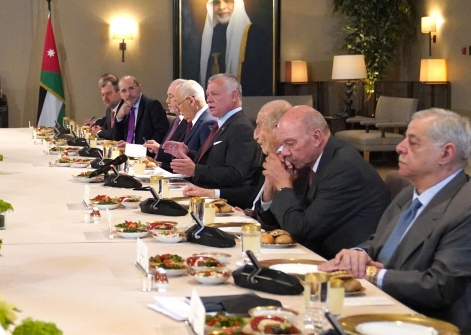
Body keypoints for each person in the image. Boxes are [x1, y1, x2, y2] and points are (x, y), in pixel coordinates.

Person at [319, 109, 471, 331]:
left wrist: (371, 274)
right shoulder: (408, 193)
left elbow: (439, 286)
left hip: (425, 323)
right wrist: (358, 255)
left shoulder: (465, 207)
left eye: (413, 142)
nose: (399, 147)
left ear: (446, 153)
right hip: (379, 305)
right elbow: (378, 243)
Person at [258, 106, 389, 258]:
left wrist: (283, 186)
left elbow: (300, 230)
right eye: (282, 145)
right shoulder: (307, 161)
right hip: (315, 253)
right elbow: (276, 225)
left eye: (290, 143)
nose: (284, 152)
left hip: (345, 262)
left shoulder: (344, 168)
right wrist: (270, 186)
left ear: (316, 137)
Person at [183, 99, 292, 215]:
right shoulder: (270, 155)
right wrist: (252, 213)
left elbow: (236, 175)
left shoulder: (293, 163)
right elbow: (254, 197)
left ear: (278, 128)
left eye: (259, 127)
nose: (255, 135)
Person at [169, 74, 260, 208]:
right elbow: (215, 160)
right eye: (208, 95)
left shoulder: (241, 127)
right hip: (202, 198)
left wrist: (196, 170)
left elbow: (235, 174)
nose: (209, 100)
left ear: (234, 96)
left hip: (223, 205)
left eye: (214, 94)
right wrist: (188, 153)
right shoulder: (223, 123)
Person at [195, 0, 272, 96]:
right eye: (216, 2)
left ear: (238, 4)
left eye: (227, 1)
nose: (221, 7)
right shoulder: (212, 34)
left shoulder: (255, 34)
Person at [145, 80, 217, 171]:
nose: (178, 108)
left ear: (191, 101)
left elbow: (205, 163)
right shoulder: (191, 120)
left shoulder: (208, 123)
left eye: (179, 103)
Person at [113, 76, 169, 146]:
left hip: (144, 151)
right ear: (120, 95)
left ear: (140, 88)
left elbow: (162, 133)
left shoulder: (152, 105)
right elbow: (116, 138)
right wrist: (119, 117)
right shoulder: (123, 108)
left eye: (131, 88)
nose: (128, 94)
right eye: (123, 91)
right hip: (125, 151)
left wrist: (135, 148)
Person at [89, 74, 122, 140]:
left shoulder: (125, 110)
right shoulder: (109, 110)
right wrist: (95, 126)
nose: (105, 98)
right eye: (103, 95)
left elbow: (116, 136)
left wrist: (98, 132)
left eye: (108, 93)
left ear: (119, 94)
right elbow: (106, 129)